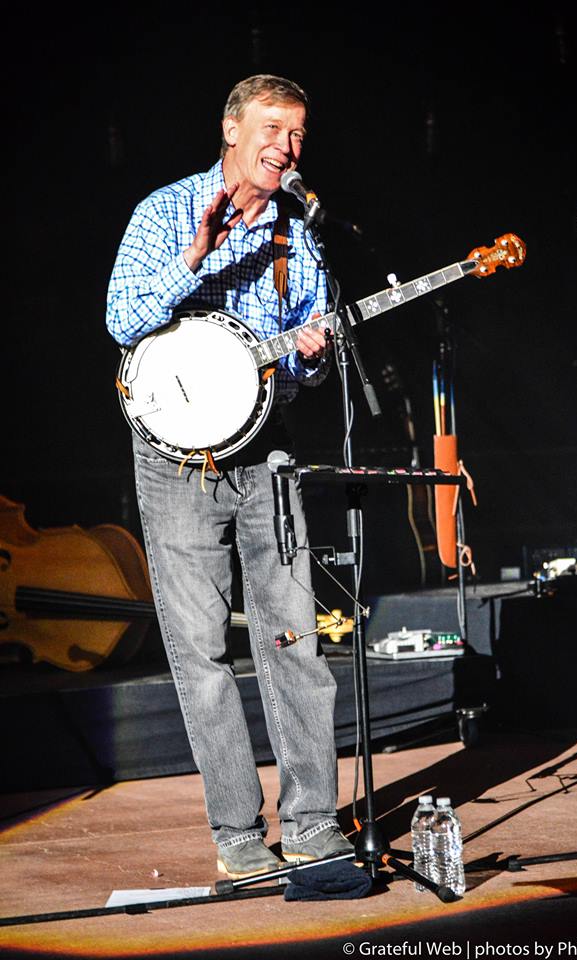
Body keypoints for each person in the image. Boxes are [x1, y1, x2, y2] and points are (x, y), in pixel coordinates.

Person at [106, 74, 352, 879]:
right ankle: (239, 835)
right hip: (175, 459)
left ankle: (313, 820)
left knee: (294, 639)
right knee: (201, 651)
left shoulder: (295, 233)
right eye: (275, 129)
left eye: (299, 135)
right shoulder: (166, 211)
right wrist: (196, 257)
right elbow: (122, 318)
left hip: (264, 451)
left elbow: (304, 356)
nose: (288, 146)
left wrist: (312, 358)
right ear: (231, 130)